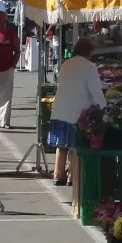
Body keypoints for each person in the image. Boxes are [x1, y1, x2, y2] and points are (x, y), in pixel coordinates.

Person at [47, 37, 106, 186]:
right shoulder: (89, 66)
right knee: (75, 145)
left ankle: (58, 174)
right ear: (89, 51)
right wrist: (103, 106)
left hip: (60, 109)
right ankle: (72, 176)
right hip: (77, 111)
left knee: (62, 145)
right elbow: (95, 91)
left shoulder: (66, 64)